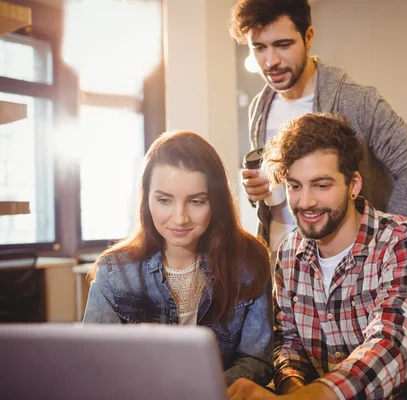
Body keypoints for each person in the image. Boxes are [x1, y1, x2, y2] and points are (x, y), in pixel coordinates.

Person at [227, 114, 407, 399]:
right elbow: (288, 342)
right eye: (295, 186)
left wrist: (309, 397)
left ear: (353, 185)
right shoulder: (290, 253)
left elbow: (394, 346)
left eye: (322, 185)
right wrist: (293, 389)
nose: (306, 202)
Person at [229, 0, 407, 261]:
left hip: (349, 259)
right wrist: (256, 191)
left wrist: (381, 240)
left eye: (283, 45)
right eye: (259, 48)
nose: (271, 61)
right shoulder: (260, 106)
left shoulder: (355, 100)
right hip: (282, 256)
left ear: (308, 37)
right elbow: (276, 188)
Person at [83, 131, 273, 387]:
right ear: (146, 199)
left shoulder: (249, 263)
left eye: (196, 201)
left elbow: (257, 360)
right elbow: (94, 366)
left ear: (216, 202)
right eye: (164, 200)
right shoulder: (114, 272)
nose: (180, 218)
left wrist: (201, 391)